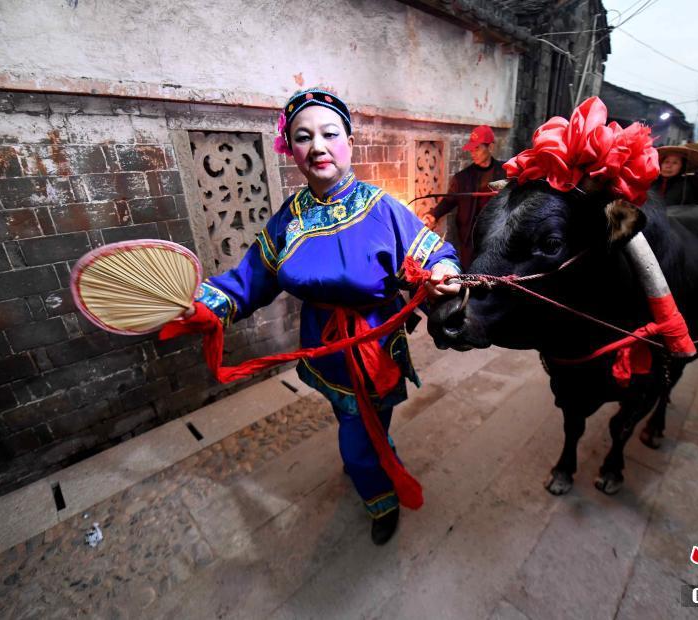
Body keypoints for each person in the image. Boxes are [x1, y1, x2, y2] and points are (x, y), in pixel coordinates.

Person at [184, 88, 461, 545]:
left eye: (330, 133)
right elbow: (248, 281)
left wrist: (444, 273)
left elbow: (434, 254)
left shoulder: (382, 207)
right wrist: (197, 304)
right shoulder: (287, 219)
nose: (317, 146)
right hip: (326, 350)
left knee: (359, 441)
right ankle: (376, 459)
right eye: (303, 137)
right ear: (290, 149)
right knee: (353, 422)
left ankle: (380, 496)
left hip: (374, 348)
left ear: (349, 141)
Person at [422, 125, 506, 269]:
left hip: (496, 236)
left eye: (477, 148)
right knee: (470, 273)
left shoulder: (505, 173)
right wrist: (433, 215)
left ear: (490, 147)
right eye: (472, 149)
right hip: (470, 240)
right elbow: (449, 201)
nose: (473, 153)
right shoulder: (463, 178)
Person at [650, 145, 698, 210]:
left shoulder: (688, 185)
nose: (669, 166)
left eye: (675, 163)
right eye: (666, 162)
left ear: (682, 167)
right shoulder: (650, 182)